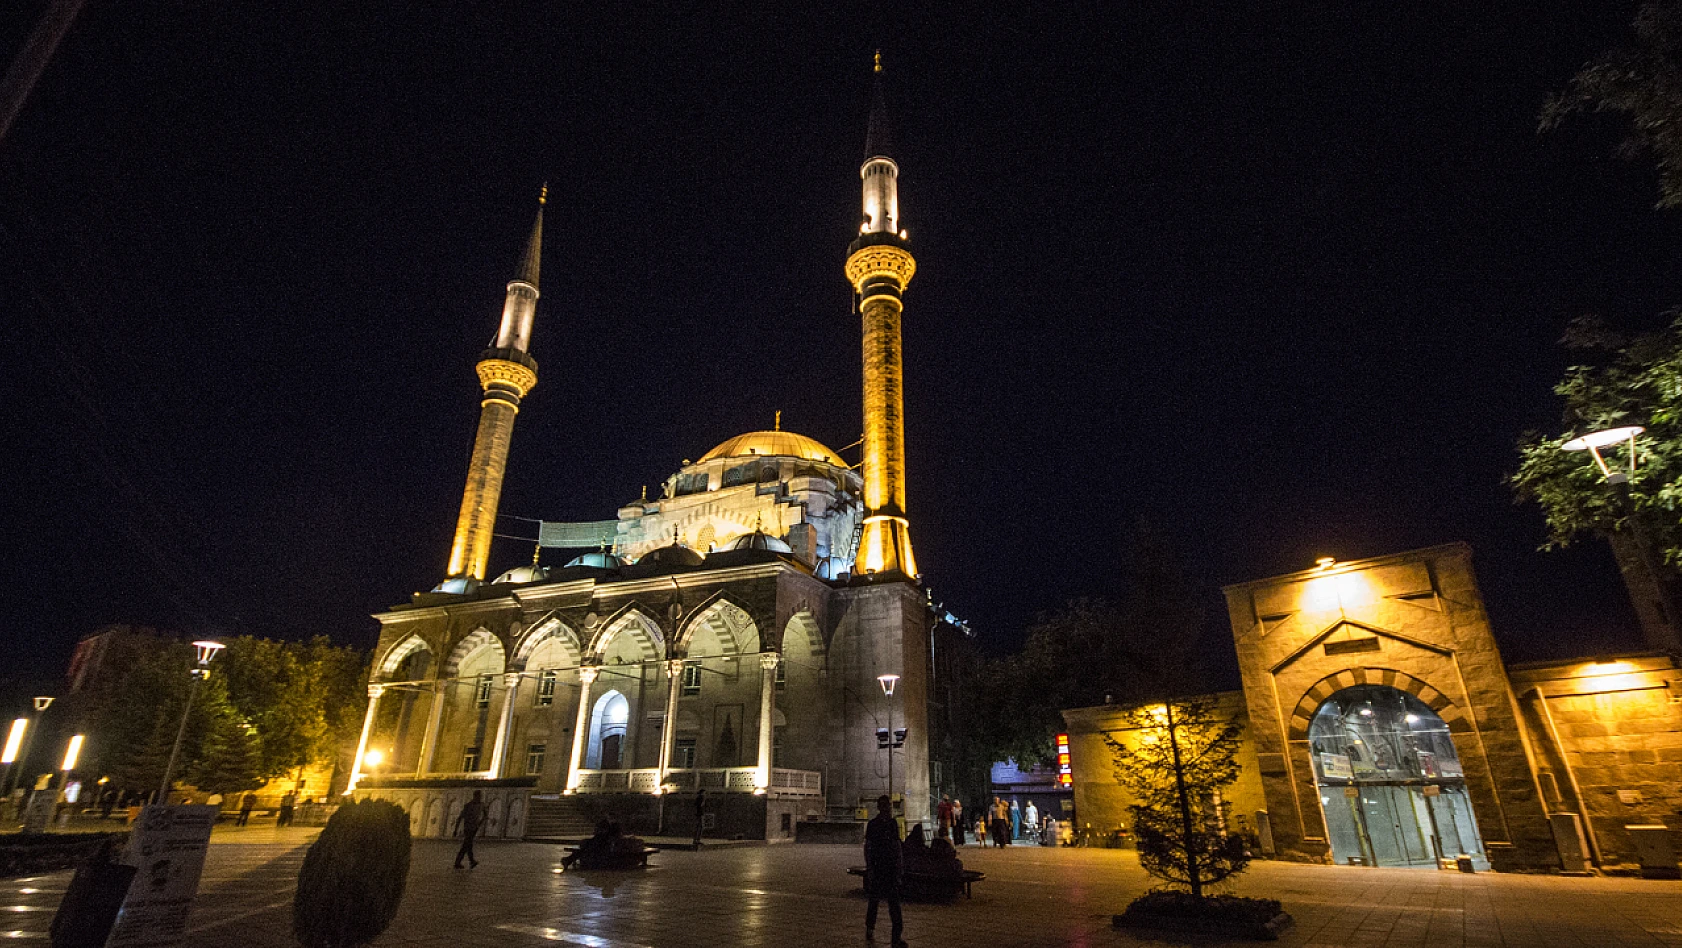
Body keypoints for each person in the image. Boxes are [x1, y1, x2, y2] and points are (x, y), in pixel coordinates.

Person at [863, 794, 906, 947]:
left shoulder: (891, 824)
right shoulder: (874, 824)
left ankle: (895, 936)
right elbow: (868, 847)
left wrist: (899, 867)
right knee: (877, 901)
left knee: (892, 904)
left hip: (888, 868)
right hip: (879, 867)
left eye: (887, 805)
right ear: (881, 807)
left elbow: (896, 846)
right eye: (884, 805)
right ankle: (870, 927)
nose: (886, 808)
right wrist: (869, 867)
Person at [453, 790, 486, 868]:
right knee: (467, 844)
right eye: (479, 796)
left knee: (467, 844)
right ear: (475, 796)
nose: (480, 798)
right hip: (468, 828)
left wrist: (480, 823)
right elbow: (460, 817)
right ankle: (464, 862)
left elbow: (485, 814)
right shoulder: (468, 806)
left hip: (474, 828)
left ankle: (467, 861)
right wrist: (455, 830)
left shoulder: (481, 805)